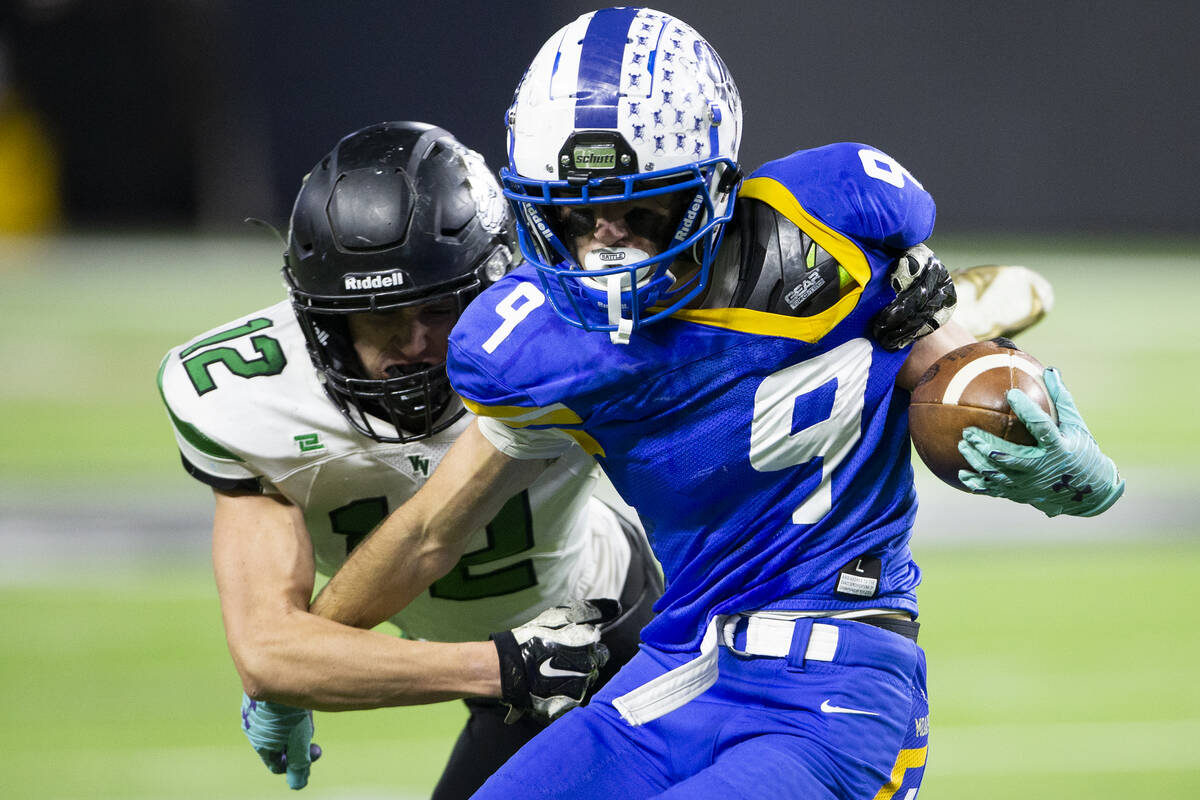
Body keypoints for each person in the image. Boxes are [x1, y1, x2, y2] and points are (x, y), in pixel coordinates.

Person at [307, 8, 1124, 799]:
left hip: (836, 684)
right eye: (577, 213)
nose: (606, 241)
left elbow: (954, 374)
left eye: (642, 208)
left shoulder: (828, 230)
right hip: (678, 669)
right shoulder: (532, 348)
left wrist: (1050, 435)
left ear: (715, 188)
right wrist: (301, 665)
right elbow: (427, 531)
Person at [156, 121, 664, 798]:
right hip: (504, 664)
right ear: (323, 322)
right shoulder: (252, 398)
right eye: (377, 317)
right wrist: (496, 668)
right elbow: (270, 645)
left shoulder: (564, 340)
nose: (414, 344)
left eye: (438, 309)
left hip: (610, 619)